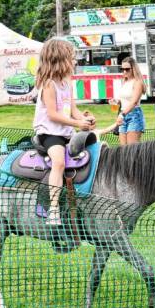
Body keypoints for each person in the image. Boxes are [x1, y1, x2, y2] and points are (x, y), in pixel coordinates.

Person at [33, 38, 95, 225]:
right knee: (59, 162)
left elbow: (73, 109)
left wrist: (84, 120)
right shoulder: (49, 84)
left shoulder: (67, 83)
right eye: (72, 58)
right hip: (50, 133)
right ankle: (53, 210)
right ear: (60, 59)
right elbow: (53, 114)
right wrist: (76, 122)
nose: (75, 62)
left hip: (66, 131)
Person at [110, 57, 146, 145]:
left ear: (133, 69)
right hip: (123, 113)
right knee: (123, 150)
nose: (124, 71)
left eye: (127, 69)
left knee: (131, 150)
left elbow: (134, 102)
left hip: (134, 115)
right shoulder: (125, 82)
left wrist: (122, 115)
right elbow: (122, 101)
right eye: (122, 69)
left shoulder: (138, 82)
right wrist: (115, 101)